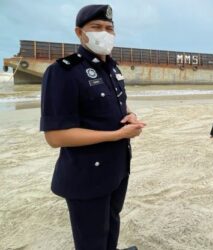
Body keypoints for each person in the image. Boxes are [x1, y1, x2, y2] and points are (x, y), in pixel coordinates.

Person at [40, 4, 144, 250]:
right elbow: (55, 136)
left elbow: (115, 104)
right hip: (86, 175)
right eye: (96, 27)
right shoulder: (63, 72)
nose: (104, 32)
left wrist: (130, 115)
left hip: (117, 168)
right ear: (79, 33)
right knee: (91, 240)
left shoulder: (112, 68)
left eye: (109, 28)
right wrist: (117, 134)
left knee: (111, 223)